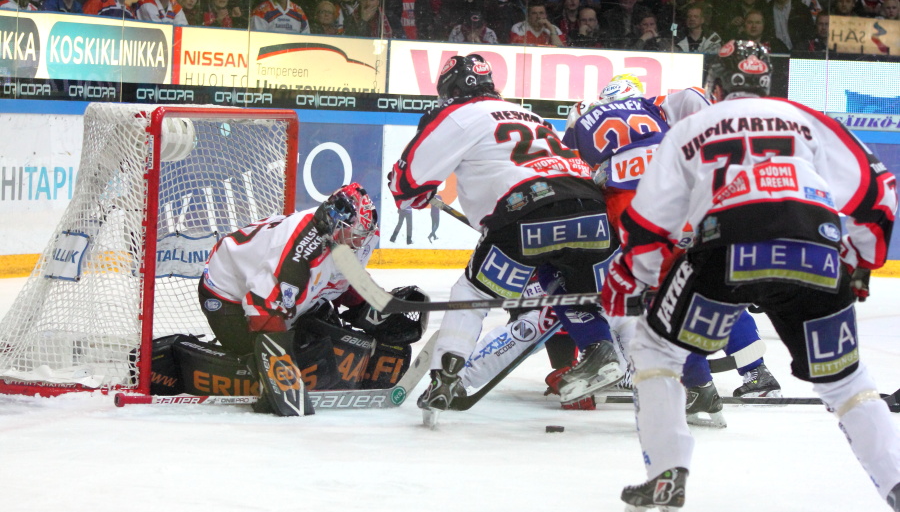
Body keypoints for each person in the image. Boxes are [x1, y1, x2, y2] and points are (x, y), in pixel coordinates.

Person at [601, 40, 900, 512]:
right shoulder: (805, 117)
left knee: (658, 350)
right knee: (847, 382)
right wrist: (861, 261)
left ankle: (666, 474)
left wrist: (633, 282)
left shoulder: (690, 128)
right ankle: (896, 484)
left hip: (727, 248)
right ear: (769, 85)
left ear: (715, 87)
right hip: (814, 249)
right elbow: (878, 190)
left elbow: (648, 227)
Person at [388, 54, 623, 422]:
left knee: (472, 293)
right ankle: (606, 351)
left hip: (527, 211)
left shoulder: (457, 114)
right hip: (591, 209)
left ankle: (446, 378)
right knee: (567, 286)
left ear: (450, 91)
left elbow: (408, 184)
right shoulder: (527, 113)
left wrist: (408, 192)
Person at [563, 74, 783, 423]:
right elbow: (697, 99)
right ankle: (755, 372)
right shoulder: (657, 106)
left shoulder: (589, 114)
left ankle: (687, 382)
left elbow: (571, 162)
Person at [197, 183, 425, 413]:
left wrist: (375, 306)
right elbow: (264, 311)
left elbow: (341, 278)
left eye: (361, 236)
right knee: (275, 359)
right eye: (355, 235)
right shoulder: (296, 256)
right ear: (337, 222)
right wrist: (280, 371)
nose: (359, 243)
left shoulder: (334, 232)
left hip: (272, 287)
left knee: (327, 339)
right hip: (226, 293)